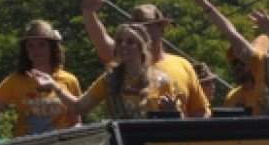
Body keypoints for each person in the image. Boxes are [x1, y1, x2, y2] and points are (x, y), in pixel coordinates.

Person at [78, 0, 211, 116]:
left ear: (161, 29)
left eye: (147, 27)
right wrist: (88, 12)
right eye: (136, 29)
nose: (141, 33)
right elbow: (102, 40)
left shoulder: (183, 65)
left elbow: (200, 111)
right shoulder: (124, 59)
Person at [44, 24, 182, 119]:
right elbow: (78, 107)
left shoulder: (162, 80)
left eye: (130, 42)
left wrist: (172, 111)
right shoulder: (109, 79)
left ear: (142, 47)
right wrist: (55, 86)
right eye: (120, 41)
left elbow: (180, 121)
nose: (123, 45)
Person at [0, 19, 81, 137]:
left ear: (52, 48)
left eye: (41, 44)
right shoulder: (14, 80)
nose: (36, 50)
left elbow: (77, 122)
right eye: (31, 46)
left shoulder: (70, 80)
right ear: (26, 51)